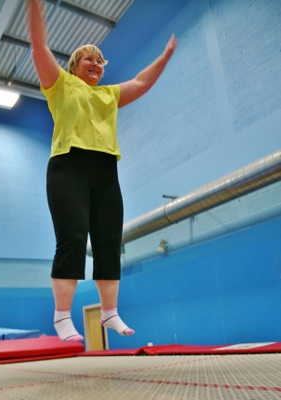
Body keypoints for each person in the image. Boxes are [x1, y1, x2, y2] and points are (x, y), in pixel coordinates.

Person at [27, 0, 178, 342]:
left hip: (105, 170)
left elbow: (140, 82)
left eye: (100, 60)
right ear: (75, 66)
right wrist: (35, 6)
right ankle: (62, 316)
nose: (95, 63)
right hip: (69, 166)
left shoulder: (109, 95)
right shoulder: (61, 84)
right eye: (88, 58)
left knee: (109, 242)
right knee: (73, 239)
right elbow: (39, 48)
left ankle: (109, 313)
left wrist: (165, 57)